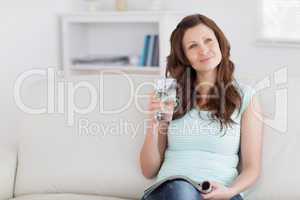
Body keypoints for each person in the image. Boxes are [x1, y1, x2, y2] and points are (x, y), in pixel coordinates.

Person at [139, 14, 263, 200]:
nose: (204, 50)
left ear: (219, 43)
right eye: (192, 46)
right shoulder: (169, 94)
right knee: (182, 192)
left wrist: (229, 191)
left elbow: (252, 168)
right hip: (174, 191)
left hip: (222, 193)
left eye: (208, 41)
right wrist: (153, 124)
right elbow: (148, 171)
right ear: (185, 57)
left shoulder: (246, 97)